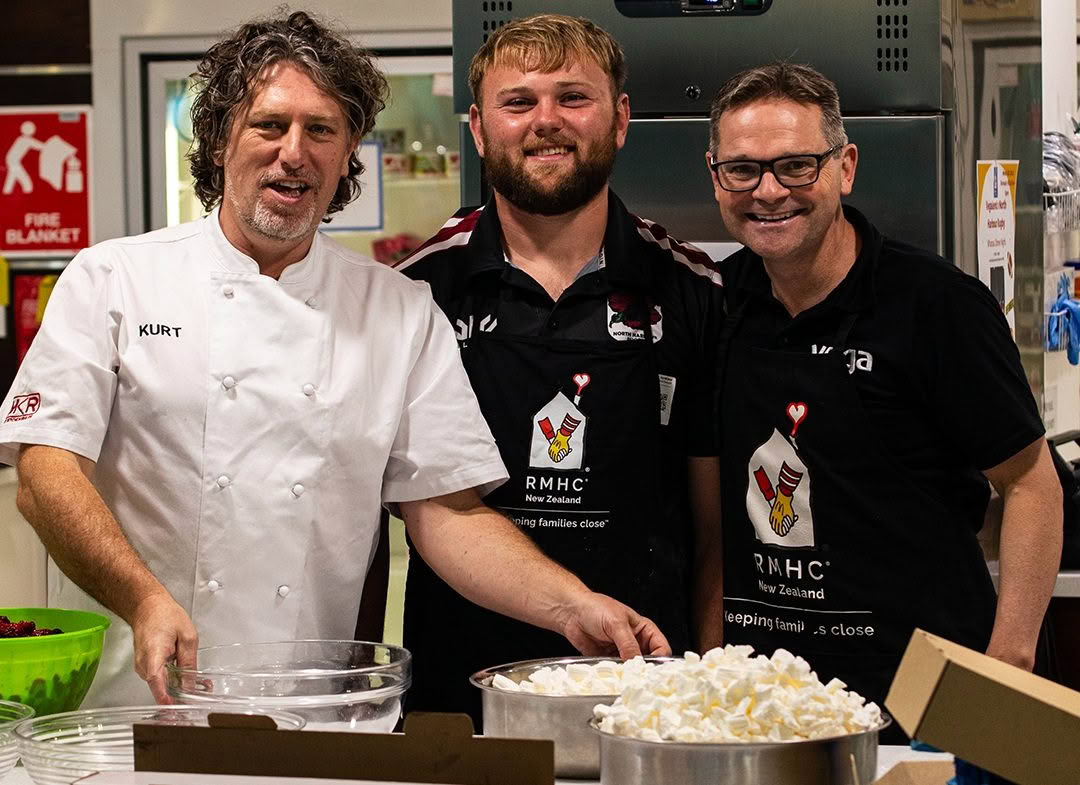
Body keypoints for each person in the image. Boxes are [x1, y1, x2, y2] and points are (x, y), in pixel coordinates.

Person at [0, 10, 669, 709]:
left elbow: (448, 513)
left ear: (348, 151)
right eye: (269, 124)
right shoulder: (113, 279)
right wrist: (143, 598)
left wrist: (571, 606)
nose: (294, 152)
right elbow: (45, 472)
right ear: (221, 138)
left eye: (322, 130)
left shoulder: (397, 310)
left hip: (308, 710)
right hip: (133, 702)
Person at [703, 61, 1062, 738]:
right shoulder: (712, 304)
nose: (769, 191)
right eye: (742, 170)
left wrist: (1008, 659)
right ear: (715, 175)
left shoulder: (935, 306)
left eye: (797, 166)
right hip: (761, 704)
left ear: (846, 167)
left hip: (924, 698)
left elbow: (1029, 482)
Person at [395, 14, 725, 725]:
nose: (546, 121)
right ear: (480, 130)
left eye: (573, 97)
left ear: (620, 120)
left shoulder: (693, 291)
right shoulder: (415, 292)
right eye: (518, 102)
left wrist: (707, 687)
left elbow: (714, 529)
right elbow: (417, 511)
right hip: (462, 705)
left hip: (648, 698)